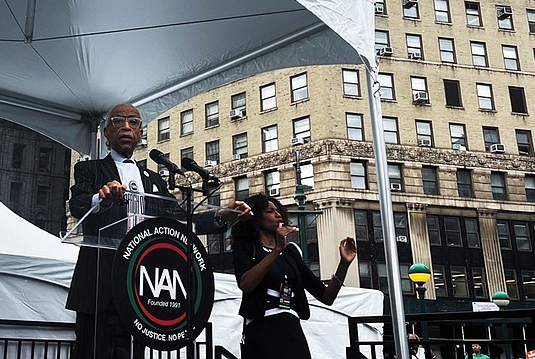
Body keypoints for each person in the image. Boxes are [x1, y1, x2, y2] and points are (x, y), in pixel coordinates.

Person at [66, 103, 251, 359]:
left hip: (141, 285)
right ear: (106, 132)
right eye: (118, 121)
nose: (127, 127)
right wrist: (101, 199)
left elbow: (179, 221)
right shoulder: (90, 169)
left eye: (134, 122)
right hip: (100, 281)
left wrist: (221, 217)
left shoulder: (154, 179)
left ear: (141, 133)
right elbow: (77, 205)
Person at [231, 193, 357, 359]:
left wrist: (344, 264)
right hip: (262, 328)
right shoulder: (246, 247)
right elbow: (246, 284)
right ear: (256, 217)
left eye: (279, 211)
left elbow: (326, 297)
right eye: (270, 211)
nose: (278, 214)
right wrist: (277, 250)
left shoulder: (290, 253)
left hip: (291, 328)